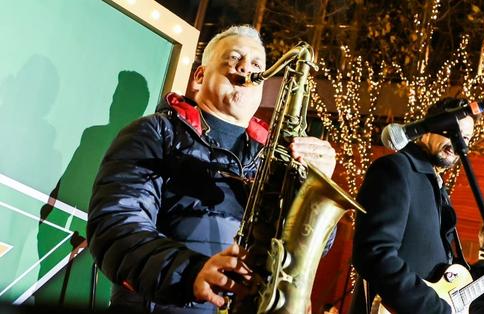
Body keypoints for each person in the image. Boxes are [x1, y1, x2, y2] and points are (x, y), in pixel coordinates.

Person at [87, 25, 337, 313]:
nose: (246, 67)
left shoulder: (275, 158)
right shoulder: (155, 133)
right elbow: (116, 225)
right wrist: (191, 272)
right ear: (200, 76)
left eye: (257, 64)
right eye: (234, 58)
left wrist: (314, 187)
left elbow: (306, 250)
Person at [349, 98, 484, 314]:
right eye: (452, 132)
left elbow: (451, 287)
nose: (458, 143)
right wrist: (436, 309)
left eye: (465, 138)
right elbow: (374, 254)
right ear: (427, 129)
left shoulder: (437, 188)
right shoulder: (397, 170)